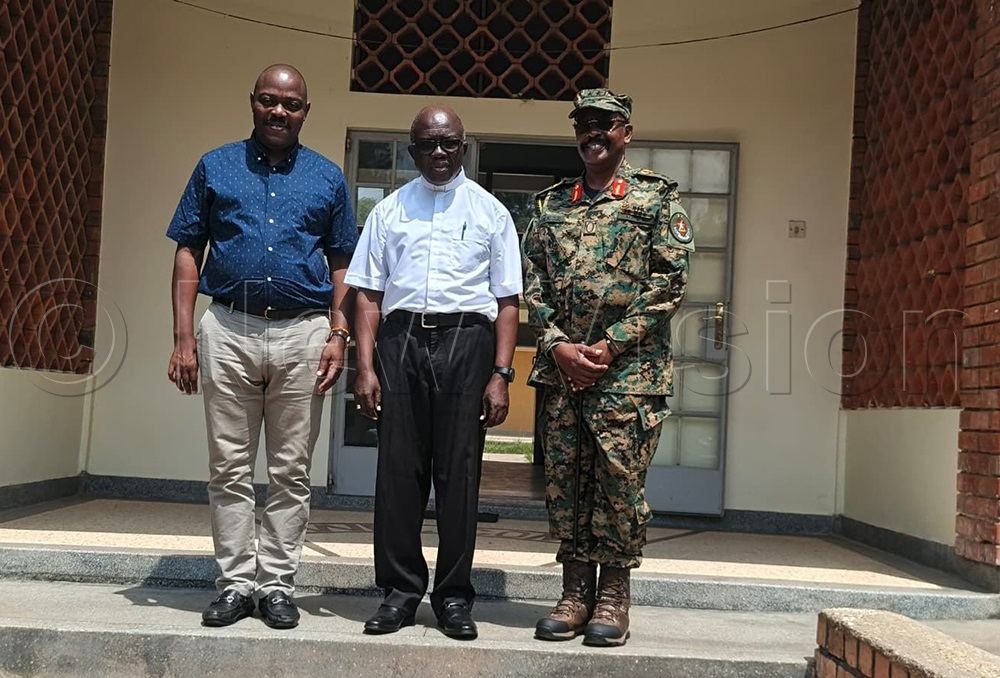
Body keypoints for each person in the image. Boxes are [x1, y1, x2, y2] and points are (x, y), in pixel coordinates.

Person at [166, 64, 357, 629]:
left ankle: (276, 584)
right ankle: (233, 583)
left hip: (304, 332)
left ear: (305, 111)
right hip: (228, 328)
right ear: (253, 102)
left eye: (291, 104)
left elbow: (343, 261)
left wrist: (339, 334)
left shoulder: (326, 177)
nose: (279, 111)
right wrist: (182, 337)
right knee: (228, 467)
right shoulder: (215, 166)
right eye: (269, 100)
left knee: (291, 470)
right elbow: (187, 251)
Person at [521, 88, 694, 647]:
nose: (592, 133)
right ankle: (574, 593)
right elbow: (533, 285)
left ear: (626, 132)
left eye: (604, 124)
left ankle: (613, 599)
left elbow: (670, 282)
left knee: (619, 486)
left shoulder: (655, 199)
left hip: (629, 376)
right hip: (566, 372)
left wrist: (611, 345)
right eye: (583, 124)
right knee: (565, 484)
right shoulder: (550, 205)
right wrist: (558, 346)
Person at [346, 105, 522, 641]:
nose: (438, 153)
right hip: (400, 343)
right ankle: (399, 593)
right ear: (412, 149)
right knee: (398, 474)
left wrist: (500, 374)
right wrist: (365, 366)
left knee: (459, 476)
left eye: (448, 143)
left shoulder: (492, 213)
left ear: (463, 146)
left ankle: (452, 597)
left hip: (469, 342)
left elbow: (508, 302)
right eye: (427, 144)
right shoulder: (389, 211)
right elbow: (369, 297)